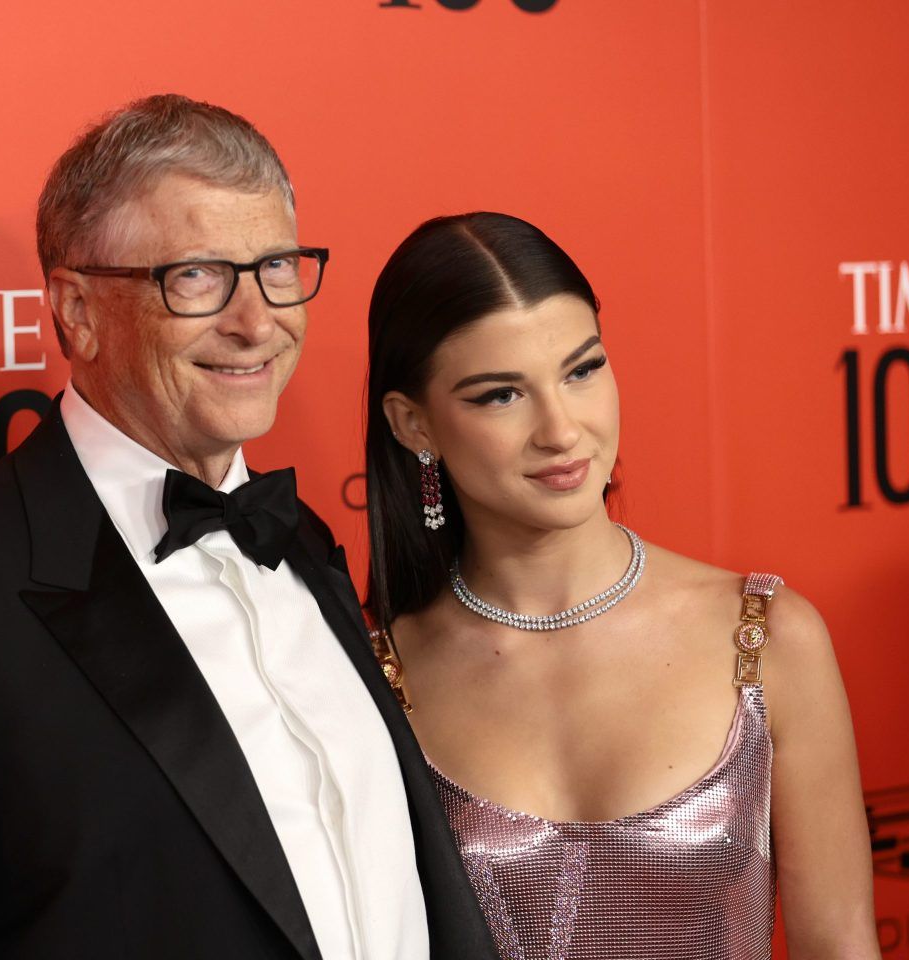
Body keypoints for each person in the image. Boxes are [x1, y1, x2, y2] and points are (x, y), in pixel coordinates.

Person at [0, 96, 497, 959]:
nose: (256, 321)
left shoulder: (305, 542)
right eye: (196, 276)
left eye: (276, 265)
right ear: (78, 311)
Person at [362, 212, 879, 959]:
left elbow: (840, 943)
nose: (563, 429)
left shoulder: (766, 635)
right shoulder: (380, 674)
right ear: (414, 425)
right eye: (501, 395)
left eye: (582, 369)